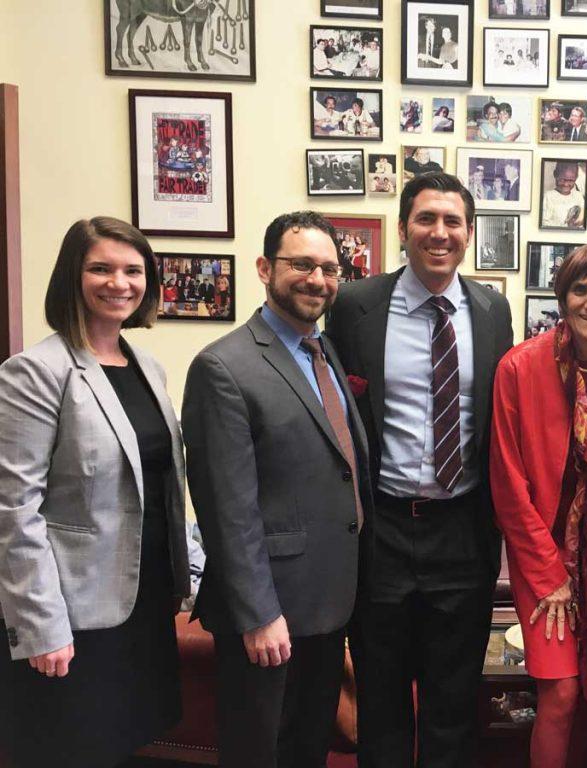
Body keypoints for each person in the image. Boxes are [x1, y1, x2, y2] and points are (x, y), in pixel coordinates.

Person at [326, 172, 514, 768]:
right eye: (426, 219)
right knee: (381, 700)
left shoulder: (491, 309)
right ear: (404, 227)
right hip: (381, 529)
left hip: (462, 530)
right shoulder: (356, 306)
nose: (440, 233)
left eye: (452, 221)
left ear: (468, 232)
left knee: (453, 701)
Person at [182, 211, 370, 768]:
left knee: (306, 747)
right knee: (258, 751)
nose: (317, 279)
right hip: (269, 611)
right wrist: (259, 613)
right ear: (265, 268)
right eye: (302, 264)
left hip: (327, 601)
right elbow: (225, 506)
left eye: (329, 269)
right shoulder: (224, 366)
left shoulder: (324, 350)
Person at [0, 217, 190, 767]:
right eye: (100, 268)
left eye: (133, 270)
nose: (119, 283)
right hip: (73, 616)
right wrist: (41, 626)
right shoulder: (35, 372)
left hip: (145, 601)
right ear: (72, 277)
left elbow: (162, 485)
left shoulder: (146, 366)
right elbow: (14, 509)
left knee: (129, 740)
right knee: (72, 748)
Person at [490, 244, 587, 768]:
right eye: (581, 289)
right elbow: (508, 483)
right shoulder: (519, 366)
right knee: (559, 693)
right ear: (562, 297)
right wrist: (547, 573)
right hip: (544, 557)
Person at [541, 161, 586, 230]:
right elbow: (543, 223)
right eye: (562, 180)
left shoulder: (578, 196)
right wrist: (567, 225)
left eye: (570, 180)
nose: (566, 184)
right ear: (555, 174)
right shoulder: (548, 197)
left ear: (576, 178)